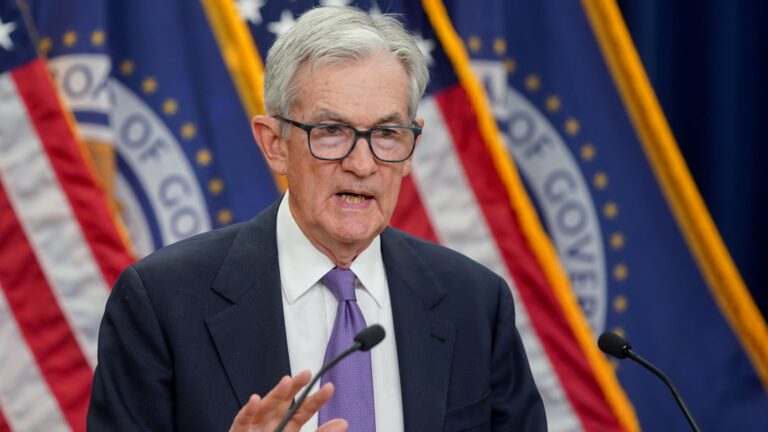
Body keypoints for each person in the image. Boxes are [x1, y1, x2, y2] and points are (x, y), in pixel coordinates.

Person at [87, 5, 546, 432]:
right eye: (332, 131)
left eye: (387, 133)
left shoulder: (475, 304)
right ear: (274, 144)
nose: (362, 164)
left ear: (411, 147)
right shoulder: (162, 303)